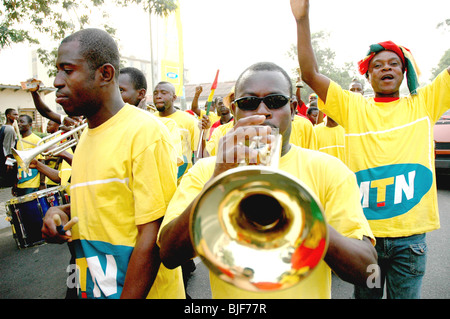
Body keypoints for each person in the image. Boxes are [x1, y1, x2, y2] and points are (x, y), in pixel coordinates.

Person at [158, 62, 377, 299]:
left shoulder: (329, 170)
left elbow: (367, 271)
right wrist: (217, 182)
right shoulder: (206, 171)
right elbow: (170, 256)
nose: (262, 111)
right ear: (234, 111)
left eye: (275, 101)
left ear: (293, 109)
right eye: (248, 103)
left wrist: (300, 213)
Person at [290, 0, 450, 298]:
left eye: (393, 64)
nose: (386, 68)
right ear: (368, 76)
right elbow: (310, 74)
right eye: (377, 65)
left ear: (404, 73)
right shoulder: (352, 107)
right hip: (366, 240)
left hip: (410, 241)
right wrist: (302, 20)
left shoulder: (425, 103)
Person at [41, 28, 184, 299]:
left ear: (105, 74)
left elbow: (152, 236)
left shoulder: (145, 133)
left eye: (68, 70)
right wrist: (58, 212)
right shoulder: (86, 137)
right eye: (57, 71)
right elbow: (109, 201)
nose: (57, 81)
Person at [13, 114, 43, 196]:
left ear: (30, 125)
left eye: (22, 122)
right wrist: (15, 182)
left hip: (32, 183)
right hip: (21, 182)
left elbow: (41, 161)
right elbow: (18, 162)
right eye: (18, 122)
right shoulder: (19, 142)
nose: (19, 124)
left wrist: (42, 183)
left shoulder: (36, 140)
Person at [1, 108, 18, 187]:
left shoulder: (4, 127)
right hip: (7, 161)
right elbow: (7, 146)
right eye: (14, 114)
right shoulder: (9, 129)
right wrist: (9, 163)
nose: (16, 117)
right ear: (8, 116)